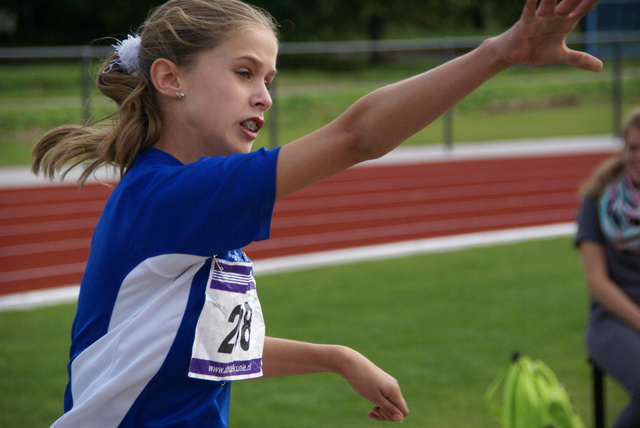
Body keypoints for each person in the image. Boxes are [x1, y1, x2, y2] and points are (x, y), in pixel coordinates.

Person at [31, 0, 603, 426]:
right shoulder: (170, 200)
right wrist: (501, 51)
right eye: (244, 72)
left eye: (269, 79)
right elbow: (357, 138)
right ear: (169, 78)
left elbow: (204, 352)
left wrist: (337, 358)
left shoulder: (191, 213)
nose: (265, 96)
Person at [575, 106, 640, 428]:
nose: (638, 155)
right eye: (633, 147)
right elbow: (597, 281)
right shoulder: (598, 198)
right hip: (612, 320)